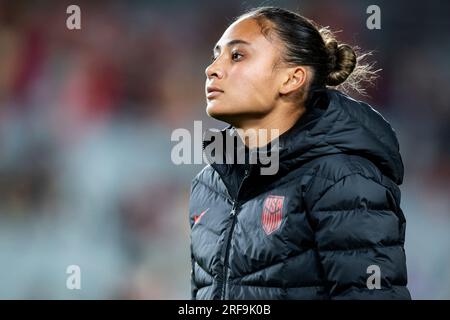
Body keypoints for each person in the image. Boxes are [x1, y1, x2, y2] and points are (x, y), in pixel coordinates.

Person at [188, 6, 411, 300]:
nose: (212, 68)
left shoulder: (343, 178)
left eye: (237, 55)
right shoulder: (208, 186)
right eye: (215, 55)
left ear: (292, 79)